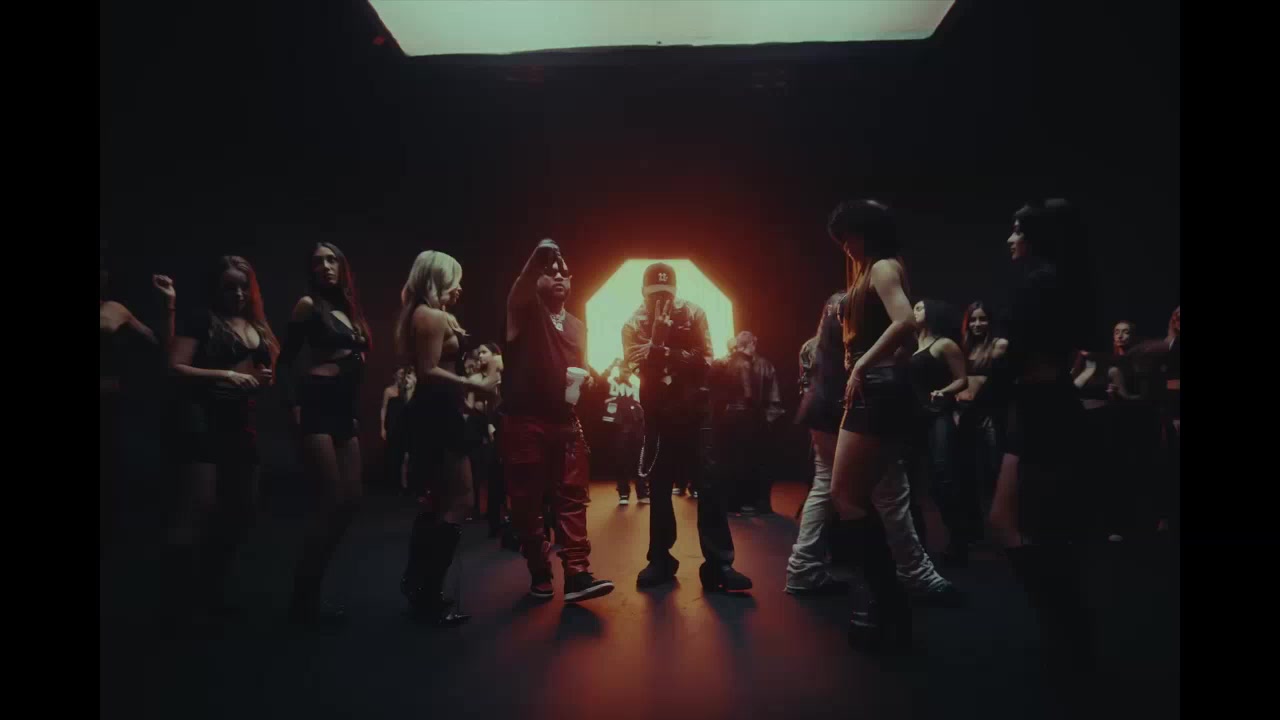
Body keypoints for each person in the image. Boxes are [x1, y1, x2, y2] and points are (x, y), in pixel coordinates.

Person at [987, 199, 1099, 675]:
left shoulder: (1042, 283)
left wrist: (997, 368)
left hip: (1043, 413)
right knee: (1022, 526)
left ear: (1036, 236)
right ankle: (1066, 631)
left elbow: (1012, 355)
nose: (1010, 238)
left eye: (1017, 230)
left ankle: (1069, 635)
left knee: (1030, 529)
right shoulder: (1064, 282)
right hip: (1047, 408)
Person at [823, 200, 918, 653]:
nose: (845, 245)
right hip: (875, 389)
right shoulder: (871, 270)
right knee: (851, 498)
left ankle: (888, 607)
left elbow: (906, 321)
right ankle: (885, 605)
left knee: (846, 497)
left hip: (876, 389)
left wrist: (861, 364)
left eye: (849, 235)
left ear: (867, 231)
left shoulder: (881, 267)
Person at [623, 262, 751, 592]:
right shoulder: (633, 323)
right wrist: (660, 343)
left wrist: (663, 352)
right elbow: (637, 366)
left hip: (696, 410)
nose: (661, 300)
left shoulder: (694, 313)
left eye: (666, 294)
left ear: (676, 291)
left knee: (709, 484)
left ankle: (719, 564)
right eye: (655, 295)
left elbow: (706, 359)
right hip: (659, 413)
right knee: (659, 487)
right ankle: (660, 559)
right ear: (643, 293)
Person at [501, 239, 614, 602]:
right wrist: (537, 257)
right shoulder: (524, 311)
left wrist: (588, 380)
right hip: (525, 421)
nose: (559, 275)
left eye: (564, 271)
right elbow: (519, 289)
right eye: (550, 272)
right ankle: (539, 570)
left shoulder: (578, 326)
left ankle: (578, 574)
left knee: (573, 497)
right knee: (526, 505)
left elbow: (578, 367)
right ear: (536, 278)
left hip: (565, 419)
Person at [167, 256, 278, 620]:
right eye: (230, 287)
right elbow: (176, 367)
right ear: (217, 288)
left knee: (242, 510)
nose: (238, 294)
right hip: (203, 420)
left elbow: (264, 374)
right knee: (198, 508)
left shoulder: (255, 324)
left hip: (240, 422)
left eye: (244, 286)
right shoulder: (202, 319)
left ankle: (210, 590)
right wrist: (226, 375)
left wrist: (262, 379)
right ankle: (180, 604)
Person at [396, 251, 496, 625]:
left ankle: (419, 585)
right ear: (436, 278)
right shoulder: (431, 315)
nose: (459, 288)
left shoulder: (427, 313)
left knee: (438, 502)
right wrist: (472, 384)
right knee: (462, 500)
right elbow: (428, 371)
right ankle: (427, 591)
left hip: (438, 410)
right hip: (437, 411)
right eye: (454, 279)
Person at [278, 242, 372, 625]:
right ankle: (303, 601)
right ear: (312, 269)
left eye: (332, 260)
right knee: (331, 499)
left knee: (352, 500)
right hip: (316, 402)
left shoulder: (350, 311)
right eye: (319, 261)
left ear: (342, 266)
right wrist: (294, 409)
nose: (326, 266)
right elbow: (285, 362)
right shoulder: (307, 306)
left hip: (343, 409)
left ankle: (311, 589)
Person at [904, 299, 975, 561]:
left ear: (932, 312)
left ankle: (959, 543)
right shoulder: (911, 345)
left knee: (943, 478)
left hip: (937, 416)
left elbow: (962, 379)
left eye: (920, 307)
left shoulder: (944, 344)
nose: (914, 311)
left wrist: (943, 392)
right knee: (912, 482)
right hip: (915, 420)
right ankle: (919, 546)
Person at [953, 301, 1008, 549]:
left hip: (988, 414)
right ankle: (974, 528)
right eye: (973, 319)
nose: (977, 323)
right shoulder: (962, 347)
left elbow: (1001, 383)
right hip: (964, 413)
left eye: (982, 318)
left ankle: (1001, 525)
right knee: (966, 472)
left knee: (994, 470)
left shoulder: (998, 345)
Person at [717, 331, 785, 515]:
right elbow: (774, 398)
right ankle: (757, 503)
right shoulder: (764, 365)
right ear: (753, 344)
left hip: (739, 420)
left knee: (737, 462)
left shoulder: (728, 364)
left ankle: (737, 503)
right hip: (755, 420)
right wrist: (767, 421)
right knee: (757, 464)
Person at [382, 368, 415, 492]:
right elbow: (384, 409)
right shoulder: (388, 390)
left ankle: (403, 484)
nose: (402, 375)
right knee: (392, 453)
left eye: (403, 373)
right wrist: (382, 427)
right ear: (394, 375)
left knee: (404, 454)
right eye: (400, 373)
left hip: (402, 425)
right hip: (392, 424)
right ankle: (392, 482)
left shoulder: (404, 391)